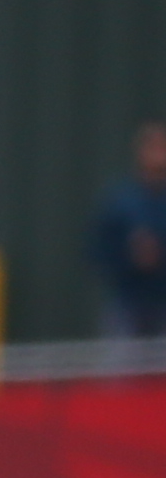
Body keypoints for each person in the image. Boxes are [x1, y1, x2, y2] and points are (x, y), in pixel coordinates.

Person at [90, 120, 166, 350]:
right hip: (128, 304)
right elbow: (97, 251)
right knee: (122, 376)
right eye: (153, 148)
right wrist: (131, 256)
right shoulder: (121, 201)